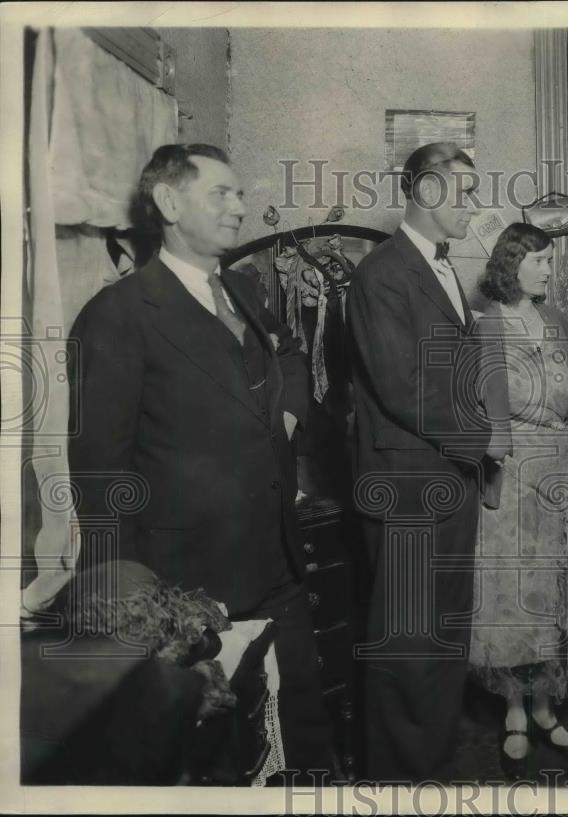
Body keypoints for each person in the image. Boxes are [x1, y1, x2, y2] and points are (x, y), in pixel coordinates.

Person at [68, 143, 336, 778]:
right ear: (168, 202)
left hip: (278, 561)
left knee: (299, 734)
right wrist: (132, 612)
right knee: (219, 757)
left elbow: (291, 358)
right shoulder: (119, 313)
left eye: (240, 194)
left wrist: (286, 418)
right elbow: (101, 473)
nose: (241, 208)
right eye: (222, 193)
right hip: (190, 585)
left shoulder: (243, 291)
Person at [347, 142, 503, 781]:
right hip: (409, 484)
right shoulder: (382, 273)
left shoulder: (438, 268)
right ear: (428, 193)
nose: (473, 205)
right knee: (410, 642)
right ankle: (397, 780)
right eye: (464, 192)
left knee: (441, 633)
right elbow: (402, 382)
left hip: (445, 477)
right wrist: (484, 441)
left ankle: (429, 767)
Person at [471, 223, 568, 779]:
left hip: (562, 470)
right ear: (512, 263)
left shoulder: (558, 321)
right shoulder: (485, 324)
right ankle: (514, 711)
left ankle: (547, 707)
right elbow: (488, 410)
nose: (549, 270)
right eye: (539, 261)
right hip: (514, 470)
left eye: (551, 261)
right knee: (514, 591)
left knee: (556, 592)